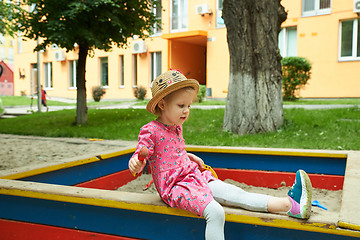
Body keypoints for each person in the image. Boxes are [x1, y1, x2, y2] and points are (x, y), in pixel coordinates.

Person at [128, 70, 312, 240]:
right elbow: (142, 153)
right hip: (176, 186)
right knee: (216, 212)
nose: (186, 111)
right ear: (162, 104)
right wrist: (135, 162)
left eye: (189, 106)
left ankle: (291, 206)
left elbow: (169, 150)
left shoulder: (176, 126)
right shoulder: (150, 130)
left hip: (193, 176)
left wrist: (187, 155)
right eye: (181, 105)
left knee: (237, 194)